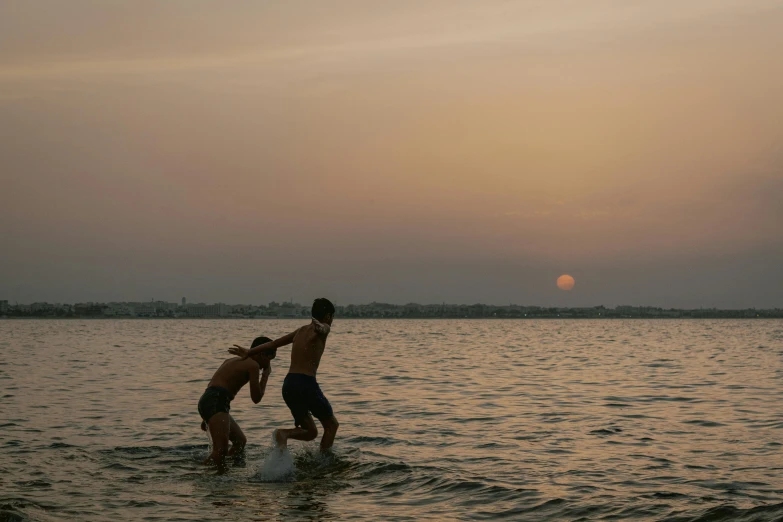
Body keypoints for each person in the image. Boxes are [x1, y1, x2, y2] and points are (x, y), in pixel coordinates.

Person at [229, 298, 338, 453]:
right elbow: (325, 329)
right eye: (332, 317)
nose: (332, 321)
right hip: (306, 383)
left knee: (311, 432)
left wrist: (249, 351)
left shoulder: (300, 331)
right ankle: (325, 463)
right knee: (332, 425)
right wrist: (322, 328)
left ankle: (283, 434)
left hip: (289, 384)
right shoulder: (322, 328)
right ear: (328, 316)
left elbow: (273, 344)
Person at [198, 336, 276, 472]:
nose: (268, 365)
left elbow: (215, 383)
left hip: (209, 399)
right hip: (217, 400)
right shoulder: (253, 365)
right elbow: (256, 398)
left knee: (240, 442)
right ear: (262, 353)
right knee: (220, 451)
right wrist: (265, 375)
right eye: (269, 359)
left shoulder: (232, 360)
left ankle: (228, 472)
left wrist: (208, 415)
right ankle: (199, 476)